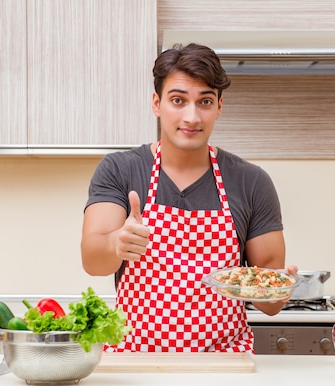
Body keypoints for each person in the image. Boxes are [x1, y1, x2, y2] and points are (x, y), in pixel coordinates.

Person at [80, 43, 297, 353]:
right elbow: (92, 260)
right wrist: (117, 242)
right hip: (134, 365)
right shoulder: (120, 170)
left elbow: (270, 304)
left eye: (205, 101)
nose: (191, 116)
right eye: (178, 100)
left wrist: (278, 291)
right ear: (157, 103)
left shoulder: (251, 182)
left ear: (220, 106)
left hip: (224, 365)